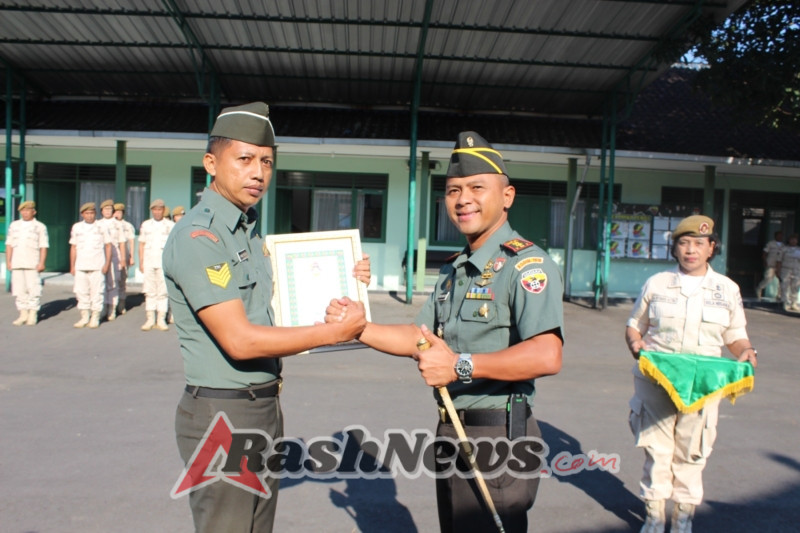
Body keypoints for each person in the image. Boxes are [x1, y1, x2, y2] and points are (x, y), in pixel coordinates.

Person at [327, 131, 564, 533]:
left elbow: (546, 354)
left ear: (507, 196)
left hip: (498, 434)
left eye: (476, 187)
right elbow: (420, 338)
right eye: (453, 190)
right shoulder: (454, 269)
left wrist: (460, 366)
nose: (462, 199)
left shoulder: (526, 265)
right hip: (452, 426)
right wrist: (359, 328)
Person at [162, 102, 369, 533]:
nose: (258, 172)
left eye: (267, 162)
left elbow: (280, 309)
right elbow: (240, 340)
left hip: (262, 408)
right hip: (224, 413)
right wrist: (333, 333)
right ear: (211, 164)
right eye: (245, 159)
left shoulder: (248, 233)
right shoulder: (200, 237)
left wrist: (347, 278)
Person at [624, 215, 758, 533]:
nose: (690, 250)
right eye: (684, 243)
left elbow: (735, 333)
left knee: (693, 450)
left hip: (703, 384)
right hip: (657, 379)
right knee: (657, 449)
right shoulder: (656, 284)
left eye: (699, 243)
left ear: (711, 248)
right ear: (675, 248)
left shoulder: (726, 289)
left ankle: (683, 517)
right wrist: (635, 342)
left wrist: (745, 351)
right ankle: (655, 517)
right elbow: (634, 325)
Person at [6, 200, 49, 326]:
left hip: (32, 263)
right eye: (22, 211)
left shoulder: (40, 226)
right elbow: (9, 245)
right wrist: (9, 261)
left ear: (33, 212)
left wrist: (42, 262)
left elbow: (43, 246)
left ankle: (33, 314)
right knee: (19, 290)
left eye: (27, 210)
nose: (25, 213)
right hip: (17, 262)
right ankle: (23, 313)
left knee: (33, 289)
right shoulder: (14, 225)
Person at [69, 202, 112, 328]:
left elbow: (108, 246)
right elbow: (73, 247)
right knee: (81, 292)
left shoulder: (101, 226)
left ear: (95, 214)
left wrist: (107, 264)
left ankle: (95, 317)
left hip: (97, 265)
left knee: (97, 292)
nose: (89, 216)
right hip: (81, 265)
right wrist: (72, 266)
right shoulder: (77, 227)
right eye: (87, 213)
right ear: (82, 214)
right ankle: (84, 316)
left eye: (92, 213)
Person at [138, 199, 174, 331]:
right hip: (149, 262)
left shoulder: (170, 225)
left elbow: (173, 247)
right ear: (151, 211)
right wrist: (141, 262)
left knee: (163, 292)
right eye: (155, 209)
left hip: (163, 264)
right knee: (150, 291)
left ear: (163, 211)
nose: (157, 212)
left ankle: (161, 319)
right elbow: (141, 244)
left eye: (160, 209)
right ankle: (150, 319)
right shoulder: (146, 225)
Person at [97, 199, 127, 321]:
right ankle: (102, 308)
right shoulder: (97, 224)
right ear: (101, 211)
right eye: (105, 209)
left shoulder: (118, 224)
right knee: (101, 284)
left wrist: (123, 259)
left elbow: (122, 242)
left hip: (115, 257)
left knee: (113, 283)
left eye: (110, 209)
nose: (108, 211)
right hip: (100, 257)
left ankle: (112, 309)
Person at [113, 202, 136, 315]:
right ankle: (112, 304)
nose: (118, 214)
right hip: (112, 256)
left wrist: (131, 256)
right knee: (112, 282)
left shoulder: (127, 225)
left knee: (122, 280)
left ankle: (121, 304)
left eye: (120, 212)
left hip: (123, 256)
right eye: (116, 211)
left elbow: (131, 241)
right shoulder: (109, 225)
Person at [755, 230, 783, 300]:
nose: (780, 237)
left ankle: (779, 295)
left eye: (781, 235)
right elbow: (765, 253)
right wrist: (764, 261)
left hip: (779, 265)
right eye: (778, 235)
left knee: (781, 280)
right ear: (775, 236)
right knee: (768, 278)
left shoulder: (783, 245)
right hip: (770, 264)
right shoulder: (770, 244)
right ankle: (759, 288)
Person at [776, 233, 800, 312]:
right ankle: (785, 302)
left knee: (795, 287)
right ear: (789, 240)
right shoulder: (784, 249)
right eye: (792, 239)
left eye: (795, 240)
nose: (793, 241)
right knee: (784, 286)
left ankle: (794, 303)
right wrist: (778, 270)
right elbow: (779, 261)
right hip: (786, 270)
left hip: (796, 270)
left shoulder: (798, 249)